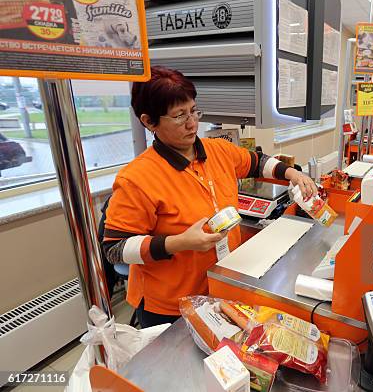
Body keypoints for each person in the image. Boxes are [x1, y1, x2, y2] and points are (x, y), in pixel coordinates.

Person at [103, 66, 318, 328]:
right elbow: (114, 249)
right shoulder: (137, 178)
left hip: (221, 287)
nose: (192, 122)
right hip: (170, 306)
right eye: (179, 116)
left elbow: (257, 163)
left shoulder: (218, 151)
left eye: (193, 111)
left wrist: (291, 174)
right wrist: (177, 243)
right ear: (149, 121)